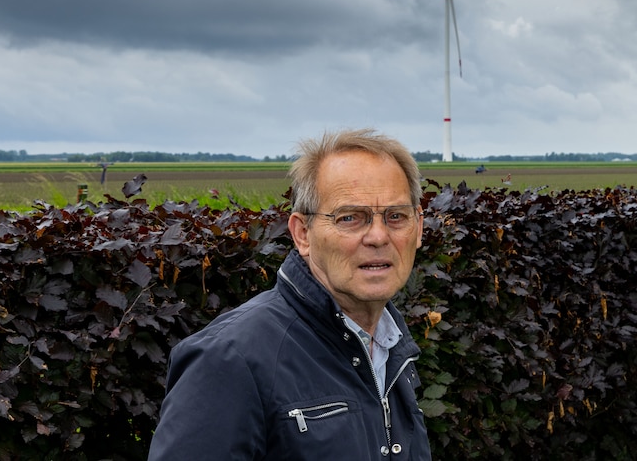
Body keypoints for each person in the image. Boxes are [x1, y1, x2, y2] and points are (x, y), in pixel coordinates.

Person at [147, 128, 432, 460]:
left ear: (419, 229)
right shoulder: (229, 360)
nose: (379, 236)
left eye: (396, 216)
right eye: (350, 218)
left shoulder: (390, 346)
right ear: (302, 234)